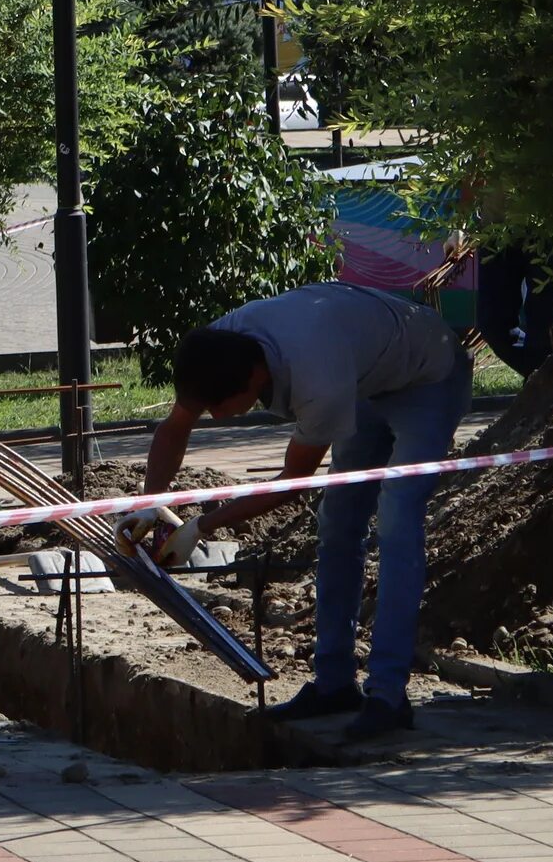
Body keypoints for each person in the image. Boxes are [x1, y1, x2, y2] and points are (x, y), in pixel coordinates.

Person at [143, 281, 470, 741]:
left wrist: (201, 525)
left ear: (255, 378)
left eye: (222, 408)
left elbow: (292, 484)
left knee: (397, 521)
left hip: (428, 376)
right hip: (366, 374)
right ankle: (335, 685)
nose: (215, 419)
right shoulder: (217, 347)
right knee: (338, 523)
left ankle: (388, 695)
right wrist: (151, 504)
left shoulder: (317, 379)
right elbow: (177, 426)